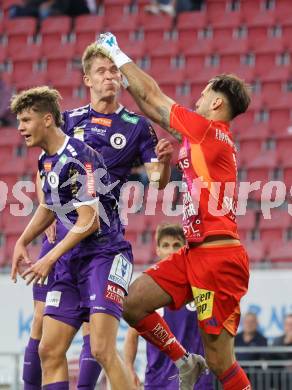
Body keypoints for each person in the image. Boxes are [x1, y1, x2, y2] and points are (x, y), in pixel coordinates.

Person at [96, 32, 252, 390]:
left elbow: (154, 97)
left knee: (220, 360)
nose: (197, 96)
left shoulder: (209, 132)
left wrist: (117, 54)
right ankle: (184, 360)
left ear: (216, 104)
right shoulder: (202, 136)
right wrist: (123, 79)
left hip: (218, 259)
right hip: (193, 253)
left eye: (205, 92)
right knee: (132, 302)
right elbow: (151, 108)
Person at [20, 44, 173, 390]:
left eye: (114, 71)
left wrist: (163, 163)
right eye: (102, 71)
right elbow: (44, 171)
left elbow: (155, 182)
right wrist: (46, 218)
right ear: (87, 78)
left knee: (101, 344)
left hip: (102, 241)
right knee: (45, 336)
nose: (110, 77)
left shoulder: (136, 127)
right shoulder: (67, 120)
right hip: (62, 241)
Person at [10, 86, 134, 390]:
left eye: (26, 120)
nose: (20, 128)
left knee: (102, 349)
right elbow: (50, 206)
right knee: (49, 350)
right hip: (73, 260)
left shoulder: (80, 157)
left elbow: (89, 220)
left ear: (48, 120)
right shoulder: (46, 160)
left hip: (105, 255)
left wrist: (49, 257)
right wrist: (22, 240)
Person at [124, 223, 214, 389]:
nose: (171, 251)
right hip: (158, 382)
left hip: (197, 383)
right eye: (165, 245)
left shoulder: (198, 286)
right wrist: (128, 367)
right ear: (157, 250)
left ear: (184, 249)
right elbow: (132, 335)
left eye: (176, 245)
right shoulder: (148, 294)